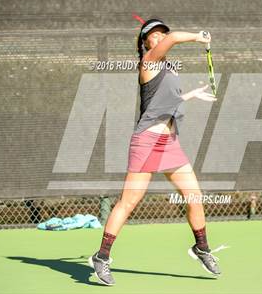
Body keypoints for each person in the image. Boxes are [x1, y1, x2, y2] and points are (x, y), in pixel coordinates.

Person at [88, 18, 220, 286]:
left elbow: (164, 102)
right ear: (144, 42)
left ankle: (201, 248)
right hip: (147, 142)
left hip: (169, 144)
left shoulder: (168, 69)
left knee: (194, 195)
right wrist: (199, 36)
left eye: (163, 34)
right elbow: (173, 41)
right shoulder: (148, 61)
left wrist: (191, 95)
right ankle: (101, 258)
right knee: (128, 203)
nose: (160, 38)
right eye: (153, 35)